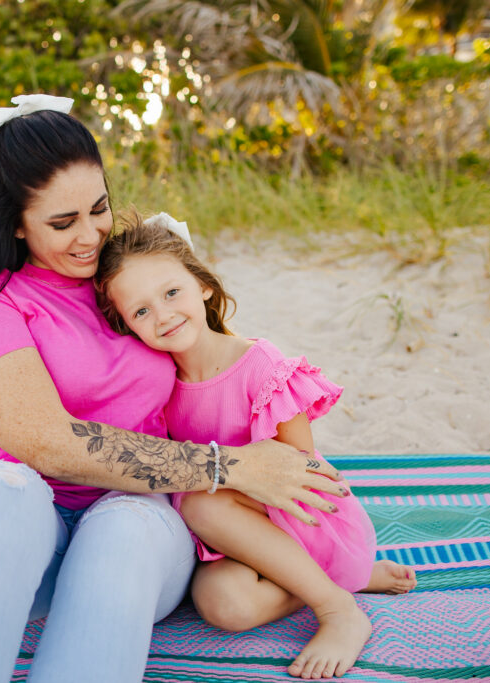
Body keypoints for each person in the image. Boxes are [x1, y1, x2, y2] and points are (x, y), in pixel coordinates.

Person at [0, 95, 347, 683]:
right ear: (14, 221)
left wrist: (275, 458)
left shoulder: (129, 275)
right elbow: (50, 445)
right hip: (22, 544)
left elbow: (219, 364)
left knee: (122, 529)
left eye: (98, 208)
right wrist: (227, 466)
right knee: (3, 490)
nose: (90, 235)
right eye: (62, 223)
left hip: (139, 529)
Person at [94, 213, 417, 680]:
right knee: (224, 606)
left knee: (203, 505)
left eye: (171, 293)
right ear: (127, 324)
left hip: (296, 513)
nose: (162, 315)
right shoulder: (156, 383)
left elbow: (303, 474)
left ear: (202, 286)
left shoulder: (259, 367)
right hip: (228, 541)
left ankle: (338, 607)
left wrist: (219, 501)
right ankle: (350, 574)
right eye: (141, 311)